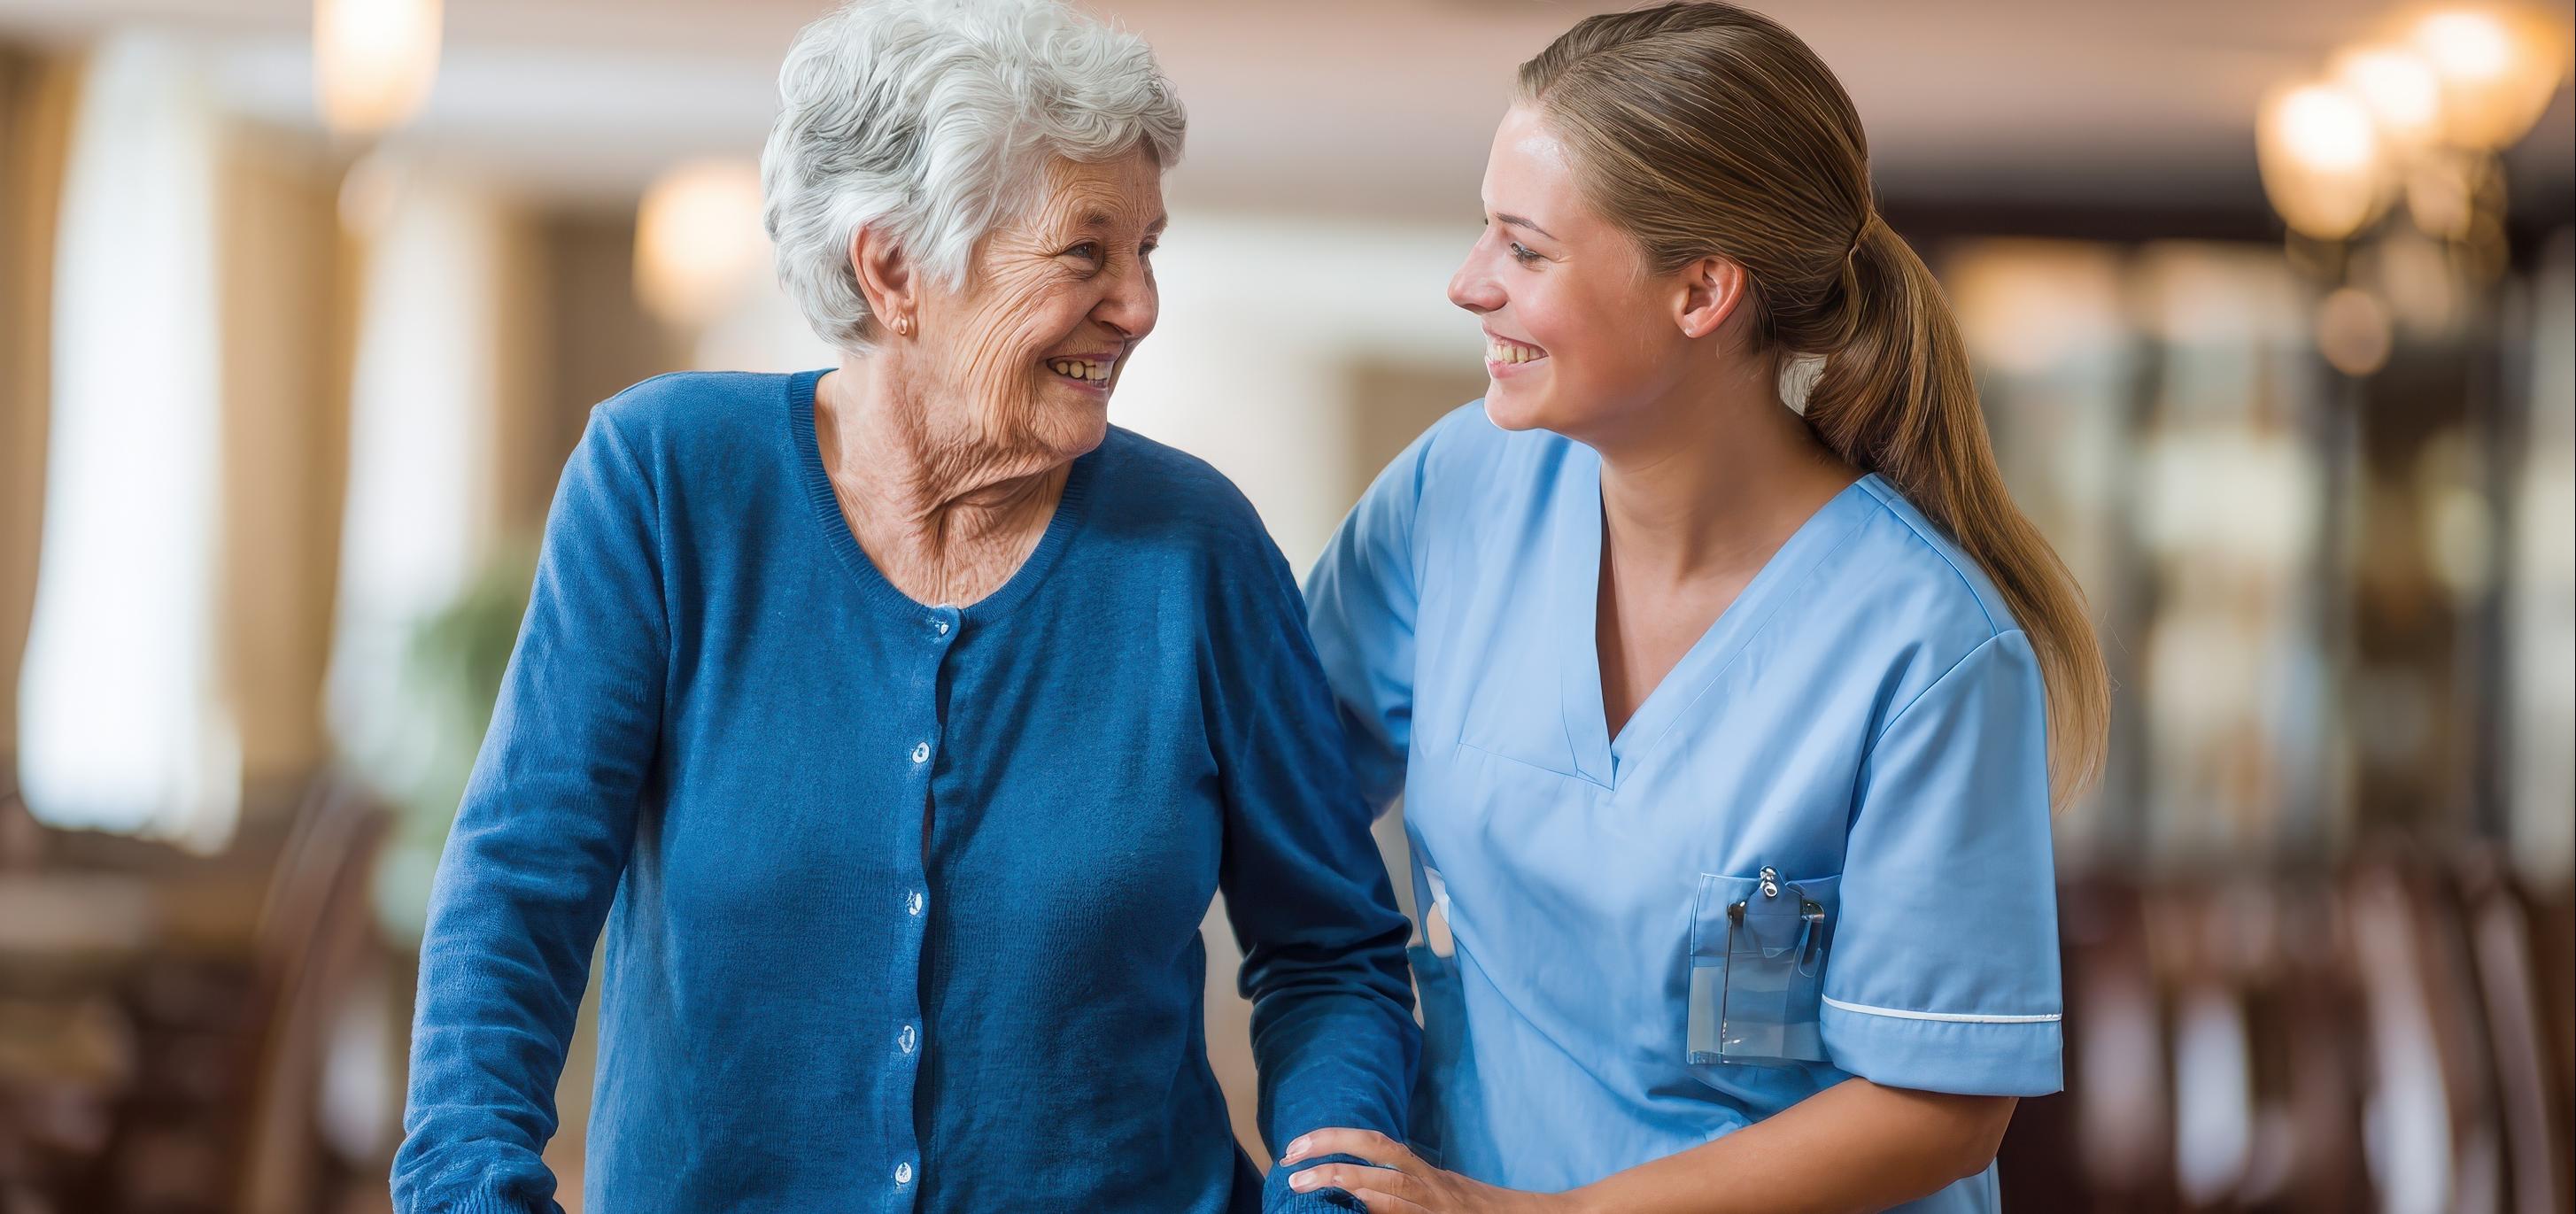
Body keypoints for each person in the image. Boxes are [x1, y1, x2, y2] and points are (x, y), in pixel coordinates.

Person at [390, 2, 1414, 1210]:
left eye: (1148, 250)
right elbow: (518, 888)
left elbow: (1329, 953)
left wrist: (1330, 1200)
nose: (1137, 304)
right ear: (892, 269)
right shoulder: (668, 482)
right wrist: (470, 1186)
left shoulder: (1194, 549)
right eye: (1085, 253)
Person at [1288, 4, 2111, 1211]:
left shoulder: (1924, 647)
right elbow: (1268, 791)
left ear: (1701, 291)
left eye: (1522, 248)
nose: (1469, 284)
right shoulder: (1457, 492)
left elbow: (1937, 1110)